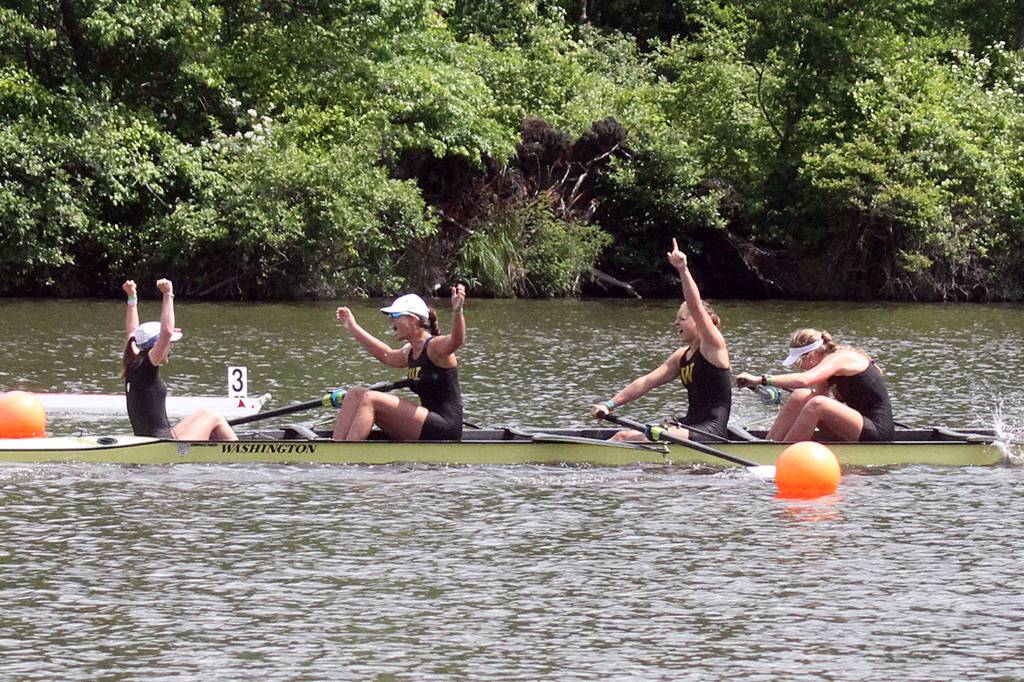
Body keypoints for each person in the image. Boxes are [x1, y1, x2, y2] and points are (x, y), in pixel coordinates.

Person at [591, 239, 732, 442]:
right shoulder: (680, 356)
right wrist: (609, 404)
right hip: (689, 425)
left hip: (709, 432)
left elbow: (694, 305)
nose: (676, 323)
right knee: (628, 434)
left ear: (702, 321)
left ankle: (596, 464)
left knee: (623, 437)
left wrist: (682, 269)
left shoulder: (712, 346)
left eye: (682, 318)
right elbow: (646, 382)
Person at [332, 285, 466, 441]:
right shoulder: (410, 351)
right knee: (354, 394)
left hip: (445, 426)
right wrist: (353, 327)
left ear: (412, 320)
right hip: (426, 422)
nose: (390, 320)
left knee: (371, 399)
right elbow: (385, 354)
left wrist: (457, 311)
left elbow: (457, 340)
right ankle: (333, 448)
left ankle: (347, 455)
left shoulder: (434, 347)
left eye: (395, 315)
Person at [121, 278, 238, 441]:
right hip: (164, 445)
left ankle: (227, 446)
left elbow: (133, 332)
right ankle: (241, 452)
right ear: (155, 346)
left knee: (206, 413)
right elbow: (167, 332)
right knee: (215, 417)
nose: (171, 347)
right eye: (170, 345)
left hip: (154, 439)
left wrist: (132, 298)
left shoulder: (133, 360)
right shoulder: (147, 365)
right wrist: (168, 294)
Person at [735, 328, 894, 442]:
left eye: (799, 361)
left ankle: (783, 453)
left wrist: (760, 379)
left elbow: (805, 380)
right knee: (801, 396)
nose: (799, 366)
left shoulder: (840, 358)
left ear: (811, 355)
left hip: (877, 432)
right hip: (855, 427)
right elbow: (813, 395)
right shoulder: (828, 364)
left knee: (817, 404)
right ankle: (769, 445)